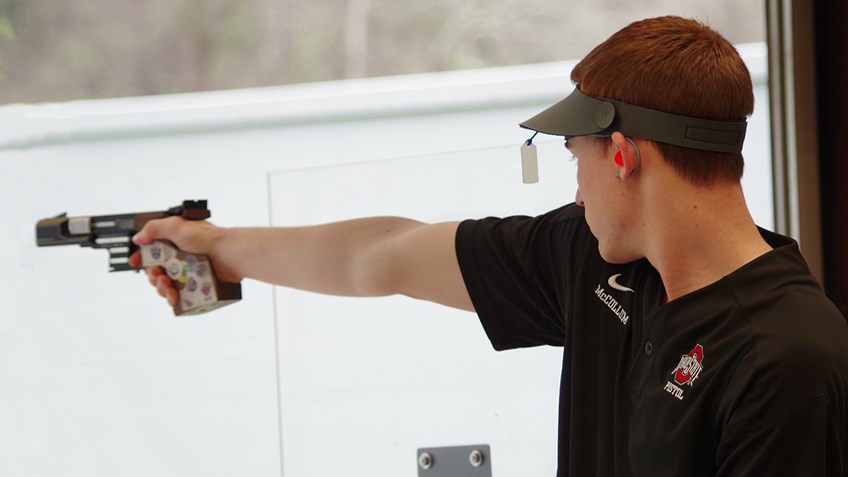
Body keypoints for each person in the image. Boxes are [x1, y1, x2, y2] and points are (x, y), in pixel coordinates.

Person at [130, 16, 848, 477]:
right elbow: (387, 254)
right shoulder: (598, 262)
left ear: (622, 154)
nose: (576, 190)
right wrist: (216, 249)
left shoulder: (786, 358)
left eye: (575, 157)